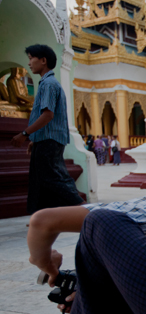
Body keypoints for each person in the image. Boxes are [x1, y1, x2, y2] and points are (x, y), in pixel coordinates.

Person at [10, 44, 84, 214]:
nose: (29, 63)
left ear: (43, 60)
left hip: (49, 141)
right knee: (41, 181)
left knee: (55, 179)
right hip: (45, 139)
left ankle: (86, 211)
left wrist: (25, 134)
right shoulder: (47, 83)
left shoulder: (48, 84)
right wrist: (34, 139)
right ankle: (42, 218)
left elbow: (48, 115)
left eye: (31, 58)